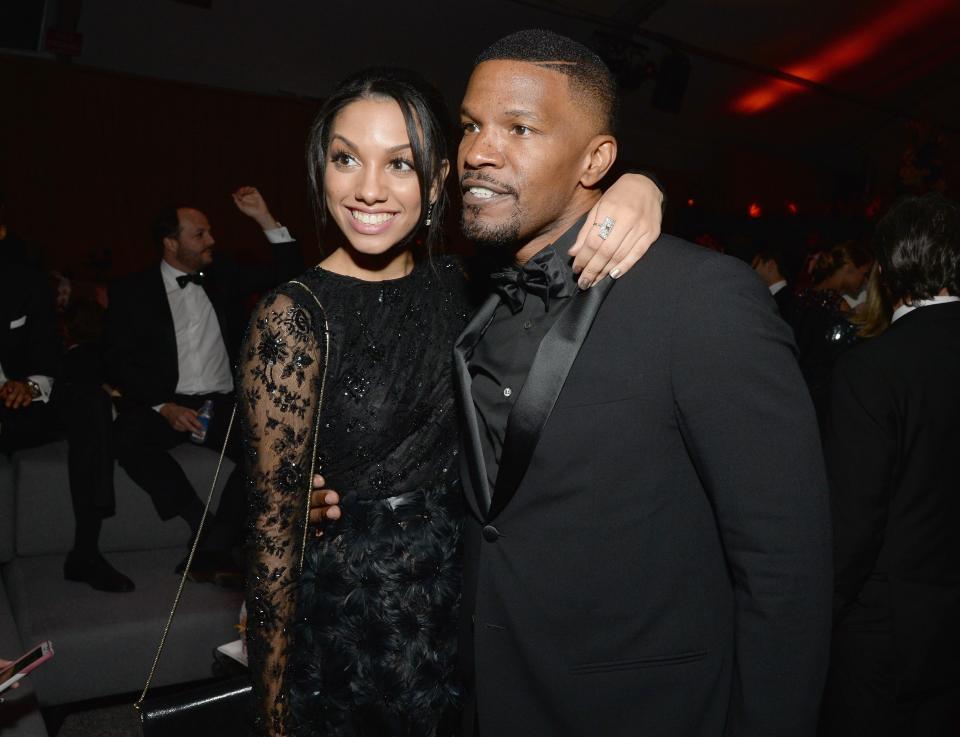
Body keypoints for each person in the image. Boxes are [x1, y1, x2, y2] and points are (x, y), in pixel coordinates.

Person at [239, 66, 664, 736]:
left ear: (438, 181)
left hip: (468, 599)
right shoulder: (293, 318)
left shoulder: (465, 281)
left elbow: (565, 241)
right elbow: (270, 540)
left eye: (399, 164)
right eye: (346, 158)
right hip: (359, 626)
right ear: (321, 168)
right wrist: (272, 713)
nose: (369, 189)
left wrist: (640, 187)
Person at [452, 30, 831, 737]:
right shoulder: (467, 304)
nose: (478, 150)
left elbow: (786, 569)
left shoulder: (700, 297)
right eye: (471, 125)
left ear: (596, 158)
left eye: (519, 128)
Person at [105, 187, 302, 579]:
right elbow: (117, 362)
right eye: (199, 234)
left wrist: (265, 218)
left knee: (266, 449)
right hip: (166, 403)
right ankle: (202, 524)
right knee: (125, 434)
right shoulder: (132, 292)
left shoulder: (222, 275)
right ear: (171, 242)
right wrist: (163, 407)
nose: (211, 240)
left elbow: (290, 275)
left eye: (210, 232)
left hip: (222, 402)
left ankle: (214, 547)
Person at [819, 193, 960, 737]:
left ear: (885, 268)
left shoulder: (873, 368)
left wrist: (815, 617)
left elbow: (853, 522)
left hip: (889, 637)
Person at [794, 239, 872, 422]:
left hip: (800, 387)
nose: (865, 281)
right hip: (823, 393)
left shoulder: (803, 296)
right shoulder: (837, 305)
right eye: (864, 274)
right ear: (849, 268)